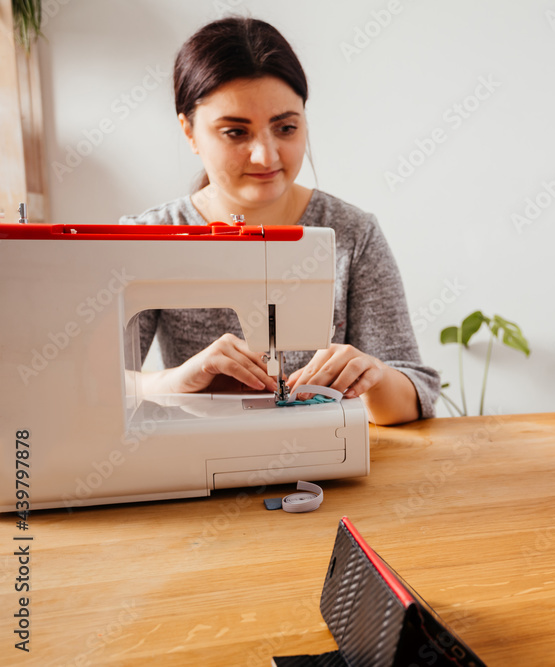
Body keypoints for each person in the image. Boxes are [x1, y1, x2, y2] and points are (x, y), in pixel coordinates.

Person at [121, 17, 438, 425]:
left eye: (285, 127)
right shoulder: (148, 240)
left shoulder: (354, 234)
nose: (266, 157)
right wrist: (176, 380)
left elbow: (416, 394)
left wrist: (373, 378)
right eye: (236, 132)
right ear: (189, 132)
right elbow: (88, 383)